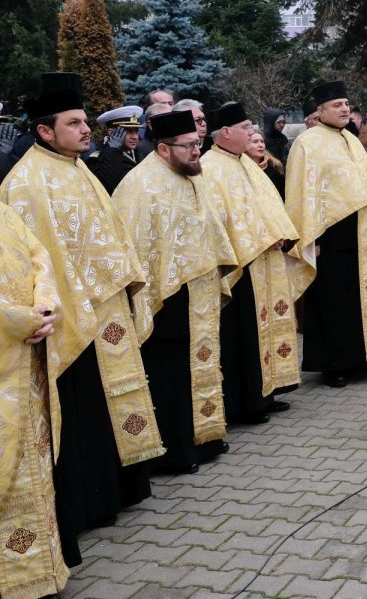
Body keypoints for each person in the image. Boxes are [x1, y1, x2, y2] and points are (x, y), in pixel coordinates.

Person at [0, 72, 163, 568]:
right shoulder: (25, 182)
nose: (86, 130)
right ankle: (87, 503)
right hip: (69, 314)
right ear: (45, 130)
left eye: (85, 122)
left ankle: (116, 489)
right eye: (74, 123)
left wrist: (127, 277)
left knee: (106, 403)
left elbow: (109, 231)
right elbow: (36, 258)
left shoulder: (79, 168)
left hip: (104, 304)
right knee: (79, 410)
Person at [112, 109, 237, 473]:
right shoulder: (140, 184)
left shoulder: (193, 177)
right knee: (170, 374)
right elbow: (136, 245)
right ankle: (176, 452)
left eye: (198, 144)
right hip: (165, 298)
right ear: (164, 149)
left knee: (198, 366)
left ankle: (206, 436)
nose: (197, 151)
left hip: (198, 292)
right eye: (188, 146)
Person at [200, 103, 306, 426]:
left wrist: (280, 234)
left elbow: (266, 207)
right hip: (240, 268)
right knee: (242, 334)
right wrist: (262, 239)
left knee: (265, 328)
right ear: (226, 132)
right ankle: (244, 403)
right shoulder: (210, 168)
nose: (251, 132)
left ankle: (266, 391)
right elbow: (220, 221)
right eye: (246, 127)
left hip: (264, 261)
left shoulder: (245, 164)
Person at [285, 81, 367, 388]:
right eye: (337, 105)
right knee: (334, 300)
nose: (345, 109)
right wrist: (308, 237)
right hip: (328, 236)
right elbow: (299, 193)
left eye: (346, 103)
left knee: (362, 294)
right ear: (320, 111)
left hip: (359, 230)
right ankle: (335, 364)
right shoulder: (307, 143)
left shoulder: (353, 140)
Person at [0, 200, 67, 599]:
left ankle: (38, 574)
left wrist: (45, 308)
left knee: (32, 462)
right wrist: (20, 319)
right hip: (11, 346)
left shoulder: (4, 211)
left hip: (25, 360)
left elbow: (40, 255)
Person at [86, 105, 146, 194]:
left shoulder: (137, 152)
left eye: (136, 131)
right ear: (111, 133)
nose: (134, 137)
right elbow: (108, 187)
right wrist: (113, 149)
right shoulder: (96, 158)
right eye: (128, 131)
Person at [247, 129, 286, 197]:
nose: (260, 145)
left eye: (262, 141)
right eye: (255, 142)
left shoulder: (274, 167)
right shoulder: (239, 167)